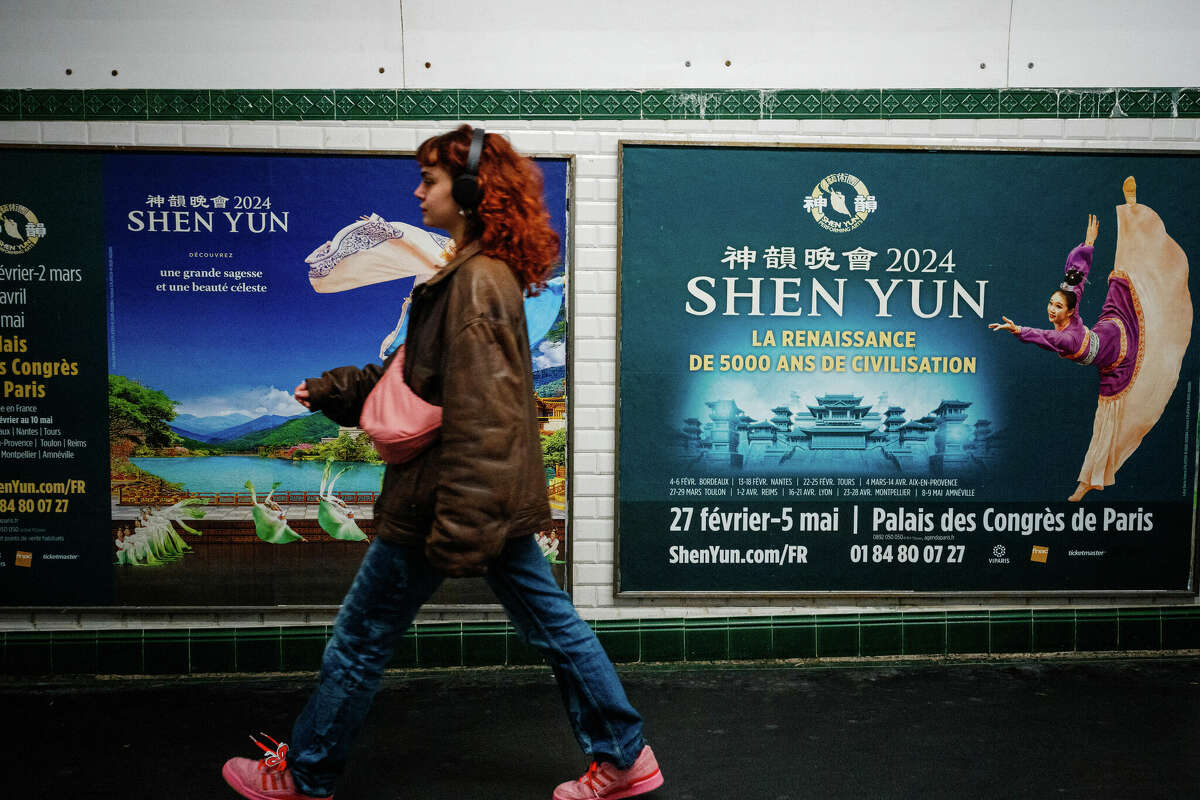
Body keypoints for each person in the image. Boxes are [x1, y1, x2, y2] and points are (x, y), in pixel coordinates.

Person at [221, 126, 663, 800]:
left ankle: (305, 774)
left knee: (360, 640)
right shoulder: (472, 274)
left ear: (468, 189)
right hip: (479, 502)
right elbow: (421, 381)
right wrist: (338, 389)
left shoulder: (475, 282)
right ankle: (625, 756)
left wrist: (457, 529)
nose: (417, 191)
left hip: (441, 504)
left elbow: (483, 414)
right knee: (555, 626)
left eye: (429, 180)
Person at [989, 182, 1192, 500]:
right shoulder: (1065, 332)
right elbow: (1056, 316)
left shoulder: (1067, 333)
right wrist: (1020, 331)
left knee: (1124, 272)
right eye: (1051, 304)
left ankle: (1133, 212)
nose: (1051, 309)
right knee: (1106, 424)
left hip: (1115, 325)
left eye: (1057, 305)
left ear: (1068, 309)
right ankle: (1090, 480)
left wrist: (1088, 243)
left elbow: (1073, 285)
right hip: (1113, 359)